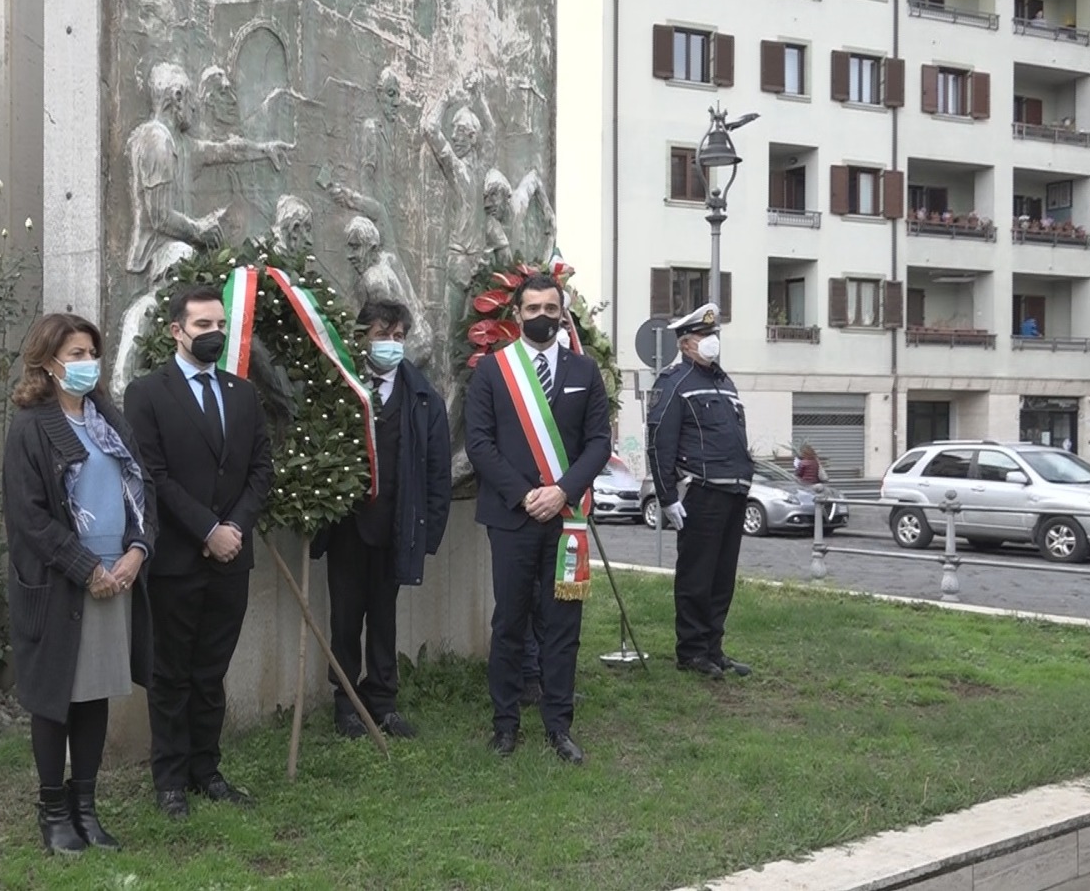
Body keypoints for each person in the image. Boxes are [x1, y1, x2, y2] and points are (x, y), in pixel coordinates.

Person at [2, 313, 154, 855]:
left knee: (95, 698)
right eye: (75, 354)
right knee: (56, 700)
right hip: (65, 583)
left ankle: (86, 809)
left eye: (92, 352)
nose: (87, 363)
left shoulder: (108, 419)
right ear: (46, 363)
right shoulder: (30, 427)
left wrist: (138, 551)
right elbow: (29, 517)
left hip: (118, 578)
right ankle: (53, 813)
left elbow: (142, 487)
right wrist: (85, 568)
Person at [124, 283, 274, 819]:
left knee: (211, 672)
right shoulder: (147, 393)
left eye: (219, 325)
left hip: (232, 558)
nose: (213, 334)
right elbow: (153, 475)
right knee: (172, 675)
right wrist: (207, 529)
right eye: (202, 326)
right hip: (176, 560)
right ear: (176, 330)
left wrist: (233, 527)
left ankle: (205, 771)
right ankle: (169, 779)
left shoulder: (242, 393)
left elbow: (261, 469)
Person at [466, 273, 611, 765]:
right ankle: (505, 725)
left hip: (565, 520)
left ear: (561, 311)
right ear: (518, 315)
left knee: (562, 625)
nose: (543, 317)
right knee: (509, 621)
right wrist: (528, 495)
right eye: (533, 309)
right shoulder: (492, 372)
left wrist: (562, 492)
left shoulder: (584, 371)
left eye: (551, 308)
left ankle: (559, 726)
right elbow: (480, 444)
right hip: (512, 517)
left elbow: (598, 444)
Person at [311, 299, 451, 739]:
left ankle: (383, 702)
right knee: (346, 618)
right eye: (380, 334)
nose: (390, 344)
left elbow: (437, 472)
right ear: (361, 337)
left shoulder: (424, 398)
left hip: (397, 529)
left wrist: (429, 533)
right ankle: (346, 703)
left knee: (385, 619)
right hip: (349, 528)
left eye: (397, 336)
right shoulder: (341, 386)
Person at [646, 302, 756, 681]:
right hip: (701, 492)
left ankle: (713, 648)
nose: (712, 342)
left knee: (722, 577)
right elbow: (659, 443)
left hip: (734, 491)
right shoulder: (674, 382)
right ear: (685, 343)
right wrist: (667, 498)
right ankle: (691, 651)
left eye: (714, 335)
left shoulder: (725, 383)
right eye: (703, 337)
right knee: (697, 575)